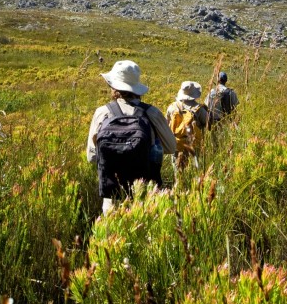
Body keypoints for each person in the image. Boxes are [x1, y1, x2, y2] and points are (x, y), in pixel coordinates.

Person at [87, 60, 176, 214]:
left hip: (112, 197)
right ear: (136, 88)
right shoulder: (151, 113)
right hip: (145, 196)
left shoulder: (102, 113)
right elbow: (171, 147)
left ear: (113, 86)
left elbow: (91, 157)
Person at [165, 81, 210, 171]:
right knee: (195, 170)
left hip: (176, 144)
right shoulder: (199, 109)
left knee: (177, 170)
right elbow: (208, 124)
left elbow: (166, 125)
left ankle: (179, 183)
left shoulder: (172, 107)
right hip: (194, 145)